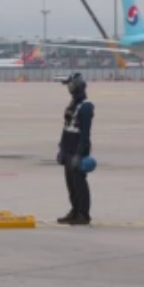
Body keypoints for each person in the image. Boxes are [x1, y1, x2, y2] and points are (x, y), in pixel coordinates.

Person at [56, 72, 95, 225]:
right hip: (68, 147)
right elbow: (66, 127)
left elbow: (85, 134)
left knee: (79, 184)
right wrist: (61, 148)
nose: (69, 90)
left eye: (71, 88)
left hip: (78, 148)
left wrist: (79, 154)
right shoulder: (73, 104)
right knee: (70, 184)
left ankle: (83, 214)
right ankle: (74, 210)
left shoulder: (86, 107)